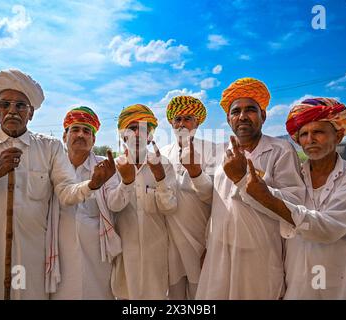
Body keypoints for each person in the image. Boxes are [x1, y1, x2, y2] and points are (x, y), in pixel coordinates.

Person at [0, 69, 107, 299]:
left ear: (30, 113)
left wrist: (92, 184)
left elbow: (66, 192)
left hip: (27, 262)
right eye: (5, 104)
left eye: (20, 105)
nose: (12, 110)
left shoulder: (49, 147)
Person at [245, 97, 346, 299]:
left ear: (338, 136)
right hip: (299, 285)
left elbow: (328, 228)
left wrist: (266, 197)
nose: (310, 139)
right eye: (303, 134)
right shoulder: (296, 177)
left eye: (318, 132)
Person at [196, 77, 305, 299]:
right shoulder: (219, 152)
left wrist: (243, 179)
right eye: (235, 111)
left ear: (263, 115)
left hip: (261, 253)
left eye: (251, 110)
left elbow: (294, 204)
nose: (242, 116)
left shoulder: (280, 150)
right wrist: (208, 245)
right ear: (228, 119)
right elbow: (217, 202)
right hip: (219, 250)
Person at [51, 106, 121, 300]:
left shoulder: (105, 167)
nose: (81, 134)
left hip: (97, 254)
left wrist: (126, 184)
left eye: (87, 131)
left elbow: (115, 204)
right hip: (59, 251)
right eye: (75, 129)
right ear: (64, 137)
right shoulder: (53, 166)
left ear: (94, 139)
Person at [109, 104, 177, 299]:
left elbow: (170, 208)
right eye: (132, 128)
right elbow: (113, 206)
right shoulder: (115, 167)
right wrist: (126, 182)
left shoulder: (163, 164)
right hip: (125, 254)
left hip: (155, 254)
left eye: (143, 129)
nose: (137, 134)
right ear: (123, 135)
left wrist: (160, 178)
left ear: (150, 136)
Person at [160, 96, 218, 299]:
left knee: (200, 294)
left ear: (197, 122)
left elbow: (216, 199)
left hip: (200, 239)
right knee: (174, 293)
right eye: (177, 119)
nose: (182, 124)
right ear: (171, 123)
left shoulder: (213, 150)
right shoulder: (164, 154)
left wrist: (195, 173)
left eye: (188, 119)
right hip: (171, 241)